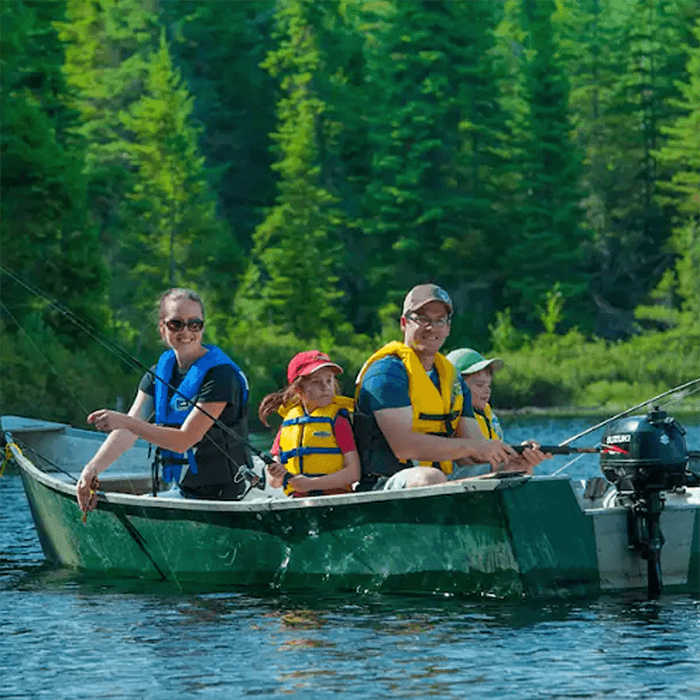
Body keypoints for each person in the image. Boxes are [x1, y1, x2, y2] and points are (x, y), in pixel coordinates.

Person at [76, 288, 252, 512]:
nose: (186, 331)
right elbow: (127, 431)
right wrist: (91, 470)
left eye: (194, 324)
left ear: (202, 327)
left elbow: (184, 440)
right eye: (176, 324)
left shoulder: (220, 376)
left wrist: (126, 422)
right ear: (162, 328)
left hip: (225, 496)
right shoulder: (158, 373)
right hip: (183, 491)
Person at [354, 283, 545, 490]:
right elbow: (404, 447)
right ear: (404, 323)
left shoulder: (452, 379)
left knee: (516, 470)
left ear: (448, 328)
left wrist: (520, 454)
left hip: (441, 478)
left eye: (439, 321)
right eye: (423, 319)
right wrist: (473, 447)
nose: (431, 327)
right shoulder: (387, 372)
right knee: (430, 478)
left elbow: (474, 451)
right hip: (385, 482)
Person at [259, 350, 360, 496]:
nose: (326, 387)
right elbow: (274, 482)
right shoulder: (288, 423)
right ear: (299, 389)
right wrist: (276, 473)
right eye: (316, 382)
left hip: (335, 498)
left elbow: (354, 473)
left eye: (329, 380)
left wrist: (312, 484)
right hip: (298, 501)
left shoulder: (339, 421)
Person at [445, 348, 550, 476]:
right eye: (479, 385)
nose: (487, 391)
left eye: (488, 385)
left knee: (522, 467)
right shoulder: (452, 415)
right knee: (516, 468)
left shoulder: (488, 416)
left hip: (480, 474)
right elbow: (465, 460)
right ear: (457, 386)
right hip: (452, 476)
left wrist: (521, 453)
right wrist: (510, 463)